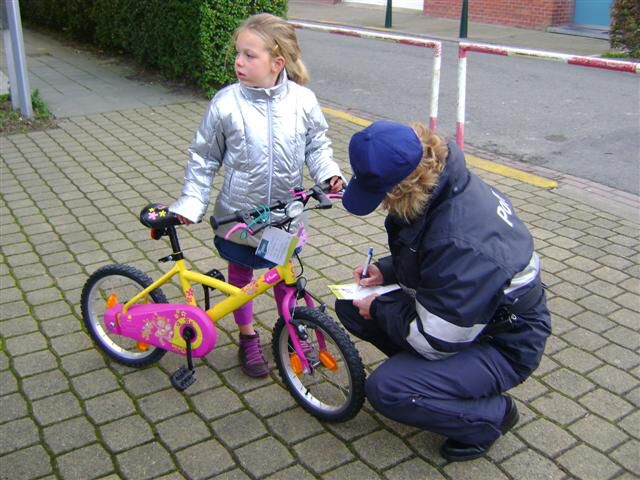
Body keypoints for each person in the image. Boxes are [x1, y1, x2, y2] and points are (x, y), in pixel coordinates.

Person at [335, 120, 551, 462]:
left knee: (388, 389)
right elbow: (432, 256)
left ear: (401, 189)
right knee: (350, 306)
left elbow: (436, 340)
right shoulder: (442, 184)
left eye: (380, 196)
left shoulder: (458, 238)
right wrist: (386, 271)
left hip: (505, 342)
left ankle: (490, 417)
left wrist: (378, 307)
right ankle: (433, 381)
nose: (381, 205)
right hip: (474, 312)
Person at [170, 13, 344, 378]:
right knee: (241, 279)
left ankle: (292, 330)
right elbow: (203, 158)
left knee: (283, 276)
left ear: (277, 63)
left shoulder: (302, 101)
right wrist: (191, 203)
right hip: (239, 217)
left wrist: (328, 173)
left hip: (285, 215)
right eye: (238, 53)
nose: (239, 61)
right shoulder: (225, 103)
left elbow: (317, 145)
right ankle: (247, 336)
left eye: (250, 55)